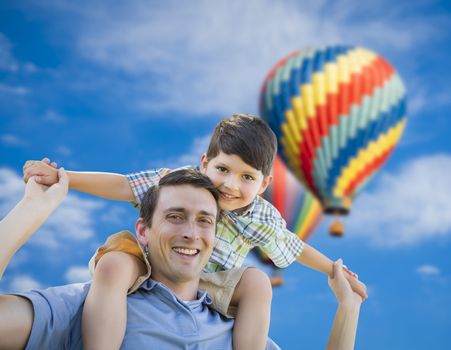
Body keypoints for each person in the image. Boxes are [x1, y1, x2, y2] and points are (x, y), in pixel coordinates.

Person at [23, 114, 368, 350]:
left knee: (257, 283)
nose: (231, 185)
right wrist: (64, 177)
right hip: (152, 262)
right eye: (223, 169)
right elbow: (123, 185)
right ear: (204, 163)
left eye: (247, 177)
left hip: (209, 282)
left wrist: (334, 270)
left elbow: (294, 247)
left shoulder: (262, 216)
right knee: (114, 264)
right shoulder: (180, 183)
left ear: (264, 184)